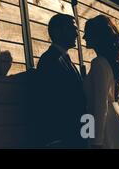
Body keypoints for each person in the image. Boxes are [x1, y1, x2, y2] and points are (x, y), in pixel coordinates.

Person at [36, 14, 88, 149]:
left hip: (75, 137)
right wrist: (54, 140)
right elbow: (48, 102)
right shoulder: (49, 60)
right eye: (72, 28)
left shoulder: (65, 59)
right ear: (57, 31)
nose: (77, 34)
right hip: (63, 139)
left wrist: (88, 133)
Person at [83, 15, 119, 149]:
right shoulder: (112, 63)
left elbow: (100, 105)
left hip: (106, 130)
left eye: (87, 33)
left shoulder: (98, 63)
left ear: (97, 36)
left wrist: (96, 142)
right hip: (116, 123)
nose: (83, 37)